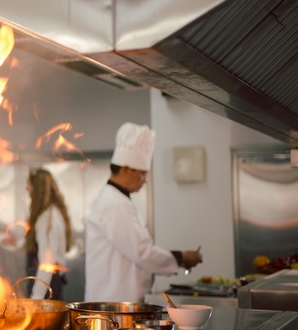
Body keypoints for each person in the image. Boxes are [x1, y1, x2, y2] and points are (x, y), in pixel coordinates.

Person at [84, 122, 203, 303]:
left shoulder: (118, 199)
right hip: (113, 303)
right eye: (142, 174)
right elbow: (142, 252)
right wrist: (181, 257)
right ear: (125, 168)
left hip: (118, 300)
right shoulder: (114, 203)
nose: (145, 181)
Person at [23, 169, 73, 300]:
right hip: (47, 282)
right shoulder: (50, 214)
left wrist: (37, 298)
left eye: (29, 186)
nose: (26, 189)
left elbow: (47, 262)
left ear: (37, 189)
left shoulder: (48, 218)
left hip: (46, 285)